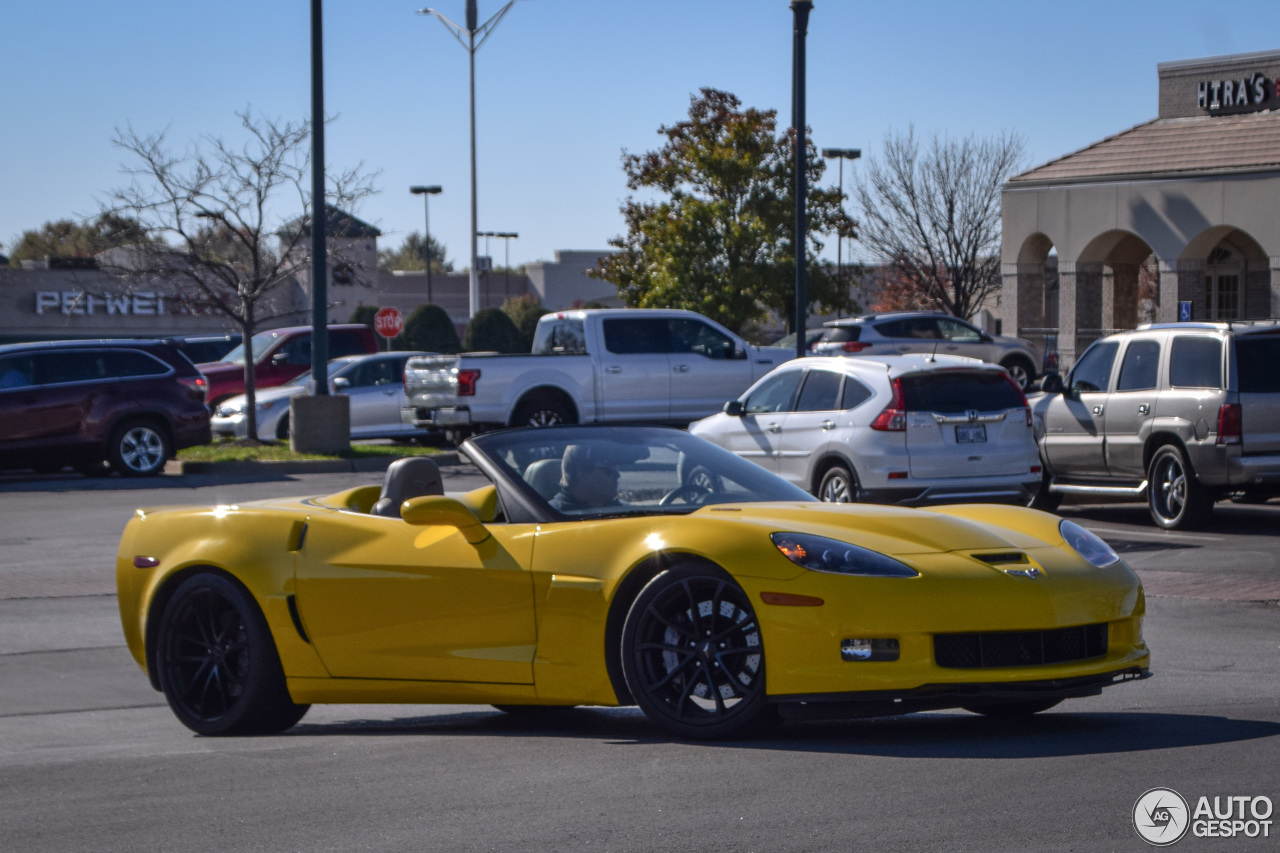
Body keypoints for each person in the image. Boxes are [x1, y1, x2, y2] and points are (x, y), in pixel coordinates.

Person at [549, 444, 625, 512]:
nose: (617, 475)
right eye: (608, 470)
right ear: (581, 472)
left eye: (616, 468)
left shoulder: (622, 510)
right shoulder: (553, 516)